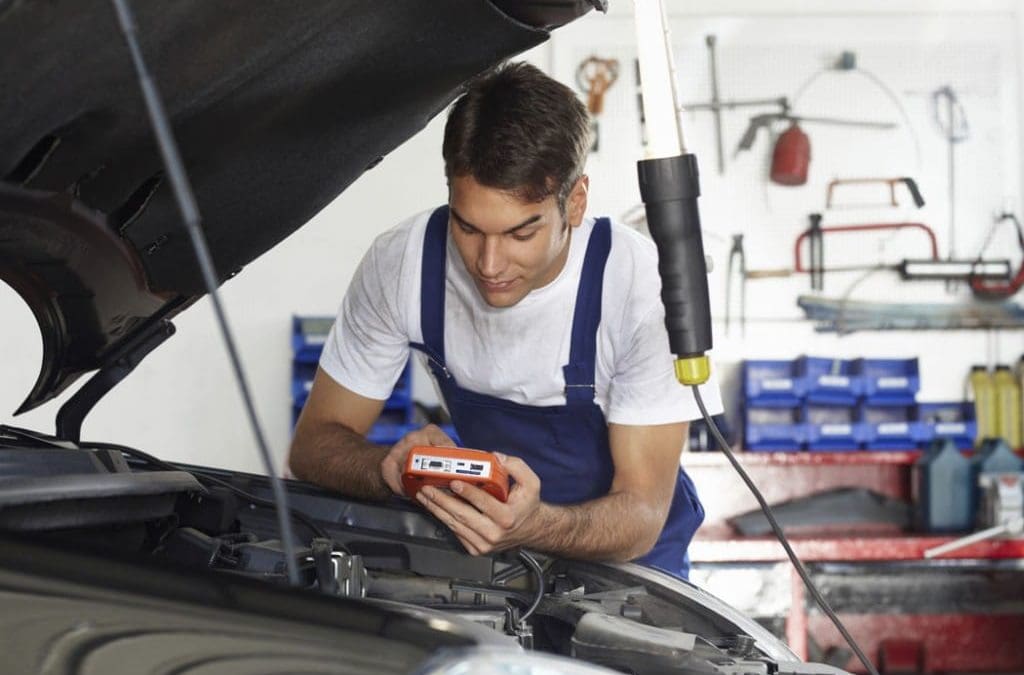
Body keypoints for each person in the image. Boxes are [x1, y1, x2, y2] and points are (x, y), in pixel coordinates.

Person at [288, 61, 722, 578]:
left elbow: (642, 515)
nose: (488, 266)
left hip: (634, 571)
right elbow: (313, 447)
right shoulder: (402, 264)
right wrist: (388, 471)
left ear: (575, 202)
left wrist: (535, 525)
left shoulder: (639, 288)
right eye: (467, 228)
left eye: (520, 234)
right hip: (494, 558)